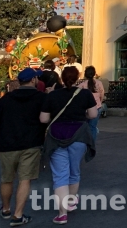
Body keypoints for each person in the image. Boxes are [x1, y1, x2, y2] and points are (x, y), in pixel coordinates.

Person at [39, 67, 98, 225]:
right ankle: (71, 202)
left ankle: (62, 213)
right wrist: (80, 116)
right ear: (78, 77)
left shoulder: (52, 95)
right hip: (78, 135)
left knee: (60, 176)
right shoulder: (85, 94)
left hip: (56, 136)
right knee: (74, 172)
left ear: (61, 79)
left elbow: (44, 119)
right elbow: (93, 115)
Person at [0, 68, 46, 226]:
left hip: (7, 144)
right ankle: (18, 215)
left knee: (7, 179)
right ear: (32, 80)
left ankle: (5, 209)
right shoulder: (41, 98)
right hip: (31, 144)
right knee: (25, 179)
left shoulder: (6, 99)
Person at [76, 67, 104, 143]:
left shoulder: (82, 85)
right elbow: (102, 95)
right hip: (97, 106)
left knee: (85, 126)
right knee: (93, 127)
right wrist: (100, 103)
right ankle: (92, 143)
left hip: (86, 108)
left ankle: (85, 141)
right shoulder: (99, 83)